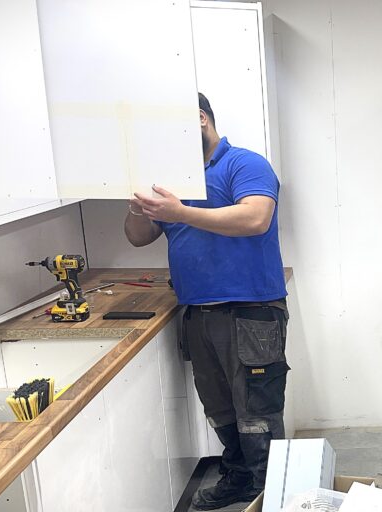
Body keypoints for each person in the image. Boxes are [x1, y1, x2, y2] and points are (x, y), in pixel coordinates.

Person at [125, 93, 289, 510]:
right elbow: (138, 237)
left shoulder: (244, 164)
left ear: (200, 118)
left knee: (257, 410)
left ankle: (271, 493)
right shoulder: (173, 181)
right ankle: (241, 480)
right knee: (220, 408)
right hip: (198, 312)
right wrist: (139, 208)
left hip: (250, 310)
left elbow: (256, 218)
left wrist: (180, 212)